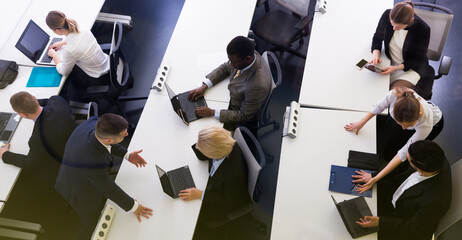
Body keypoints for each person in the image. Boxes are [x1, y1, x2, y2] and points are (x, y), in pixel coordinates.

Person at [55, 113, 152, 239]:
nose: (127, 135)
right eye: (124, 135)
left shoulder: (94, 123)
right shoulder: (93, 161)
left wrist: (127, 155)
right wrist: (134, 207)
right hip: (78, 191)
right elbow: (109, 189)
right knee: (89, 221)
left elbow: (106, 144)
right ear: (109, 140)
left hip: (74, 171)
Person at [344, 87, 443, 193]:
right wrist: (361, 122)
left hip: (435, 124)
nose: (404, 129)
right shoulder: (394, 95)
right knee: (390, 147)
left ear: (418, 116)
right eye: (401, 124)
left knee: (404, 153)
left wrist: (375, 177)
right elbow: (379, 107)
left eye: (408, 125)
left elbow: (404, 153)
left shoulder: (426, 125)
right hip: (409, 119)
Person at [356, 141, 452, 240]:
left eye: (409, 159)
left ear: (419, 169)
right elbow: (398, 168)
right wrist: (374, 177)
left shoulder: (434, 202)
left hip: (401, 221)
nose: (405, 158)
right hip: (397, 194)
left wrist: (380, 222)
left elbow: (413, 228)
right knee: (357, 192)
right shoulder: (434, 157)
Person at [179, 126, 252, 240]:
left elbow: (228, 201)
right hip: (219, 185)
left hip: (227, 201)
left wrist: (201, 195)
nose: (197, 146)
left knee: (189, 216)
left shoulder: (234, 174)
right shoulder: (223, 143)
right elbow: (201, 155)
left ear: (215, 153)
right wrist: (203, 142)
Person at [188, 36, 272, 130]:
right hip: (232, 97)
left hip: (236, 116)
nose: (230, 64)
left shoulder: (257, 86)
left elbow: (244, 116)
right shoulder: (248, 55)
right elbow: (225, 68)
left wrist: (212, 112)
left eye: (233, 62)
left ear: (247, 59)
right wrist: (205, 86)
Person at [0, 91, 75, 190]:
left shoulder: (37, 139)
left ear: (23, 115)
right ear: (35, 98)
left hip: (60, 162)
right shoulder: (58, 101)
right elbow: (49, 101)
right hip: (73, 140)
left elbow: (30, 163)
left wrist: (5, 155)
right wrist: (30, 104)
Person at [370, 1, 433, 96]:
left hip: (410, 68)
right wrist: (376, 54)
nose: (394, 28)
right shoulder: (387, 14)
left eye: (398, 27)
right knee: (374, 89)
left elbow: (418, 60)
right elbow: (377, 37)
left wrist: (396, 68)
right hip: (390, 62)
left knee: (393, 96)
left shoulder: (422, 29)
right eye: (392, 25)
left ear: (410, 21)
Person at [45, 10, 109, 89]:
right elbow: (77, 40)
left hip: (98, 75)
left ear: (57, 30)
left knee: (69, 80)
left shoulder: (70, 50)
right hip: (105, 61)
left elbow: (64, 71)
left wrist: (54, 55)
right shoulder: (80, 26)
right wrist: (62, 43)